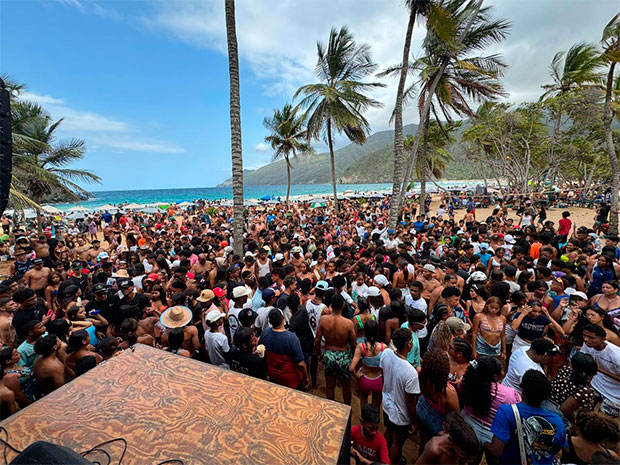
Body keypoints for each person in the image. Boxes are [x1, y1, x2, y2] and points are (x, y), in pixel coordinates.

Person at [486, 370, 567, 465]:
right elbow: (556, 448)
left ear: (522, 390)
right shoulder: (557, 421)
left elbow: (496, 452)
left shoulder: (507, 412)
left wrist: (485, 445)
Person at [380, 327, 420, 465]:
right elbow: (410, 401)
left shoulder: (386, 353)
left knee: (389, 430)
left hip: (387, 404)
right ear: (409, 345)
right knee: (397, 443)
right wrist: (414, 422)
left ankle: (383, 457)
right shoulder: (410, 372)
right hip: (401, 414)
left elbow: (383, 375)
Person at [459, 357, 520, 444]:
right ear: (495, 376)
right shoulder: (509, 394)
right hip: (491, 435)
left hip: (467, 424)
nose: (504, 372)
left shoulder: (466, 382)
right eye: (502, 370)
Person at [417, 348, 460, 452]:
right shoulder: (448, 392)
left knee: (423, 443)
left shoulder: (420, 374)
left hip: (421, 408)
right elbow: (455, 418)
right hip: (437, 422)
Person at [315, 294, 356, 404]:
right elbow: (353, 343)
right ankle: (347, 409)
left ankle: (331, 408)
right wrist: (353, 358)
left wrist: (319, 354)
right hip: (344, 356)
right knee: (346, 385)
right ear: (343, 306)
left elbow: (317, 340)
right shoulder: (348, 323)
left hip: (329, 355)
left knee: (330, 385)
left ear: (331, 306)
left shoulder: (323, 320)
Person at [259, 308, 309, 390]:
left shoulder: (265, 333)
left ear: (270, 322)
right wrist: (306, 377)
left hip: (273, 376)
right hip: (290, 381)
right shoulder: (291, 338)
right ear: (283, 318)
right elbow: (300, 364)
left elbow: (262, 354)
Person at [546, 352, 598, 425]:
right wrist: (576, 424)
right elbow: (565, 409)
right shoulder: (585, 391)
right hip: (556, 415)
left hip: (545, 404)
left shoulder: (566, 370)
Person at [580, 323, 620, 417]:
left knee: (601, 421)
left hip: (615, 395)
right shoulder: (587, 345)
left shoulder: (616, 355)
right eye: (584, 336)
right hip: (595, 385)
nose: (586, 339)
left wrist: (600, 370)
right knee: (584, 415)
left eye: (591, 337)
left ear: (603, 339)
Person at [415, 412, 481, 465]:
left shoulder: (464, 447)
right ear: (452, 443)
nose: (470, 461)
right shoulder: (435, 449)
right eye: (465, 455)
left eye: (471, 457)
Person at [349, 319, 385, 410]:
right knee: (376, 405)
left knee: (363, 402)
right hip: (378, 380)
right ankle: (374, 419)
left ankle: (364, 418)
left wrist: (357, 376)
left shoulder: (361, 347)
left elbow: (351, 368)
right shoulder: (383, 347)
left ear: (365, 332)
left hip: (365, 379)